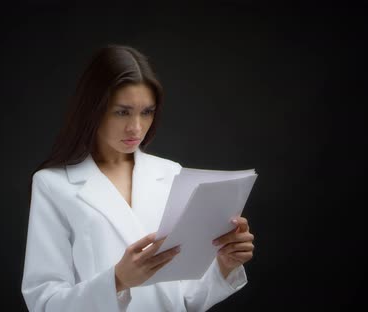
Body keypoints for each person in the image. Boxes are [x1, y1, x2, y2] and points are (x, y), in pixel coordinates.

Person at [21, 44, 255, 311]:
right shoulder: (53, 185)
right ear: (93, 108)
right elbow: (45, 303)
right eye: (122, 112)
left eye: (147, 112)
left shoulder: (170, 173)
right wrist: (117, 281)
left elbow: (185, 299)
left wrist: (224, 265)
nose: (136, 127)